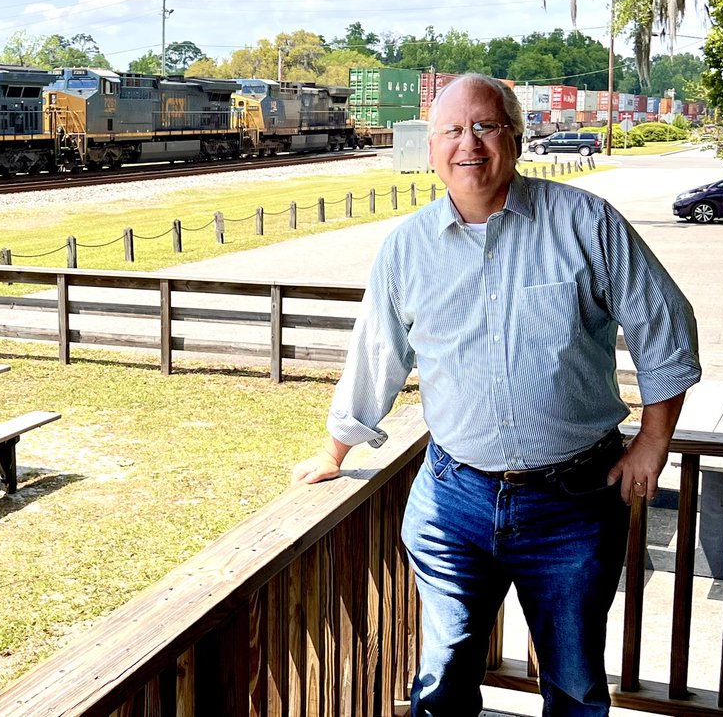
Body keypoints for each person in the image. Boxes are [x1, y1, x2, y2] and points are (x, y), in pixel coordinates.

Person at [292, 73, 700, 717]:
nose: (469, 144)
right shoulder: (405, 249)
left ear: (515, 135)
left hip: (575, 502)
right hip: (454, 501)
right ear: (430, 149)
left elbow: (664, 322)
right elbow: (378, 357)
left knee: (573, 687)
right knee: (443, 681)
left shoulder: (584, 222)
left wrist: (654, 442)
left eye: (484, 126)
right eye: (452, 130)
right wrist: (335, 452)